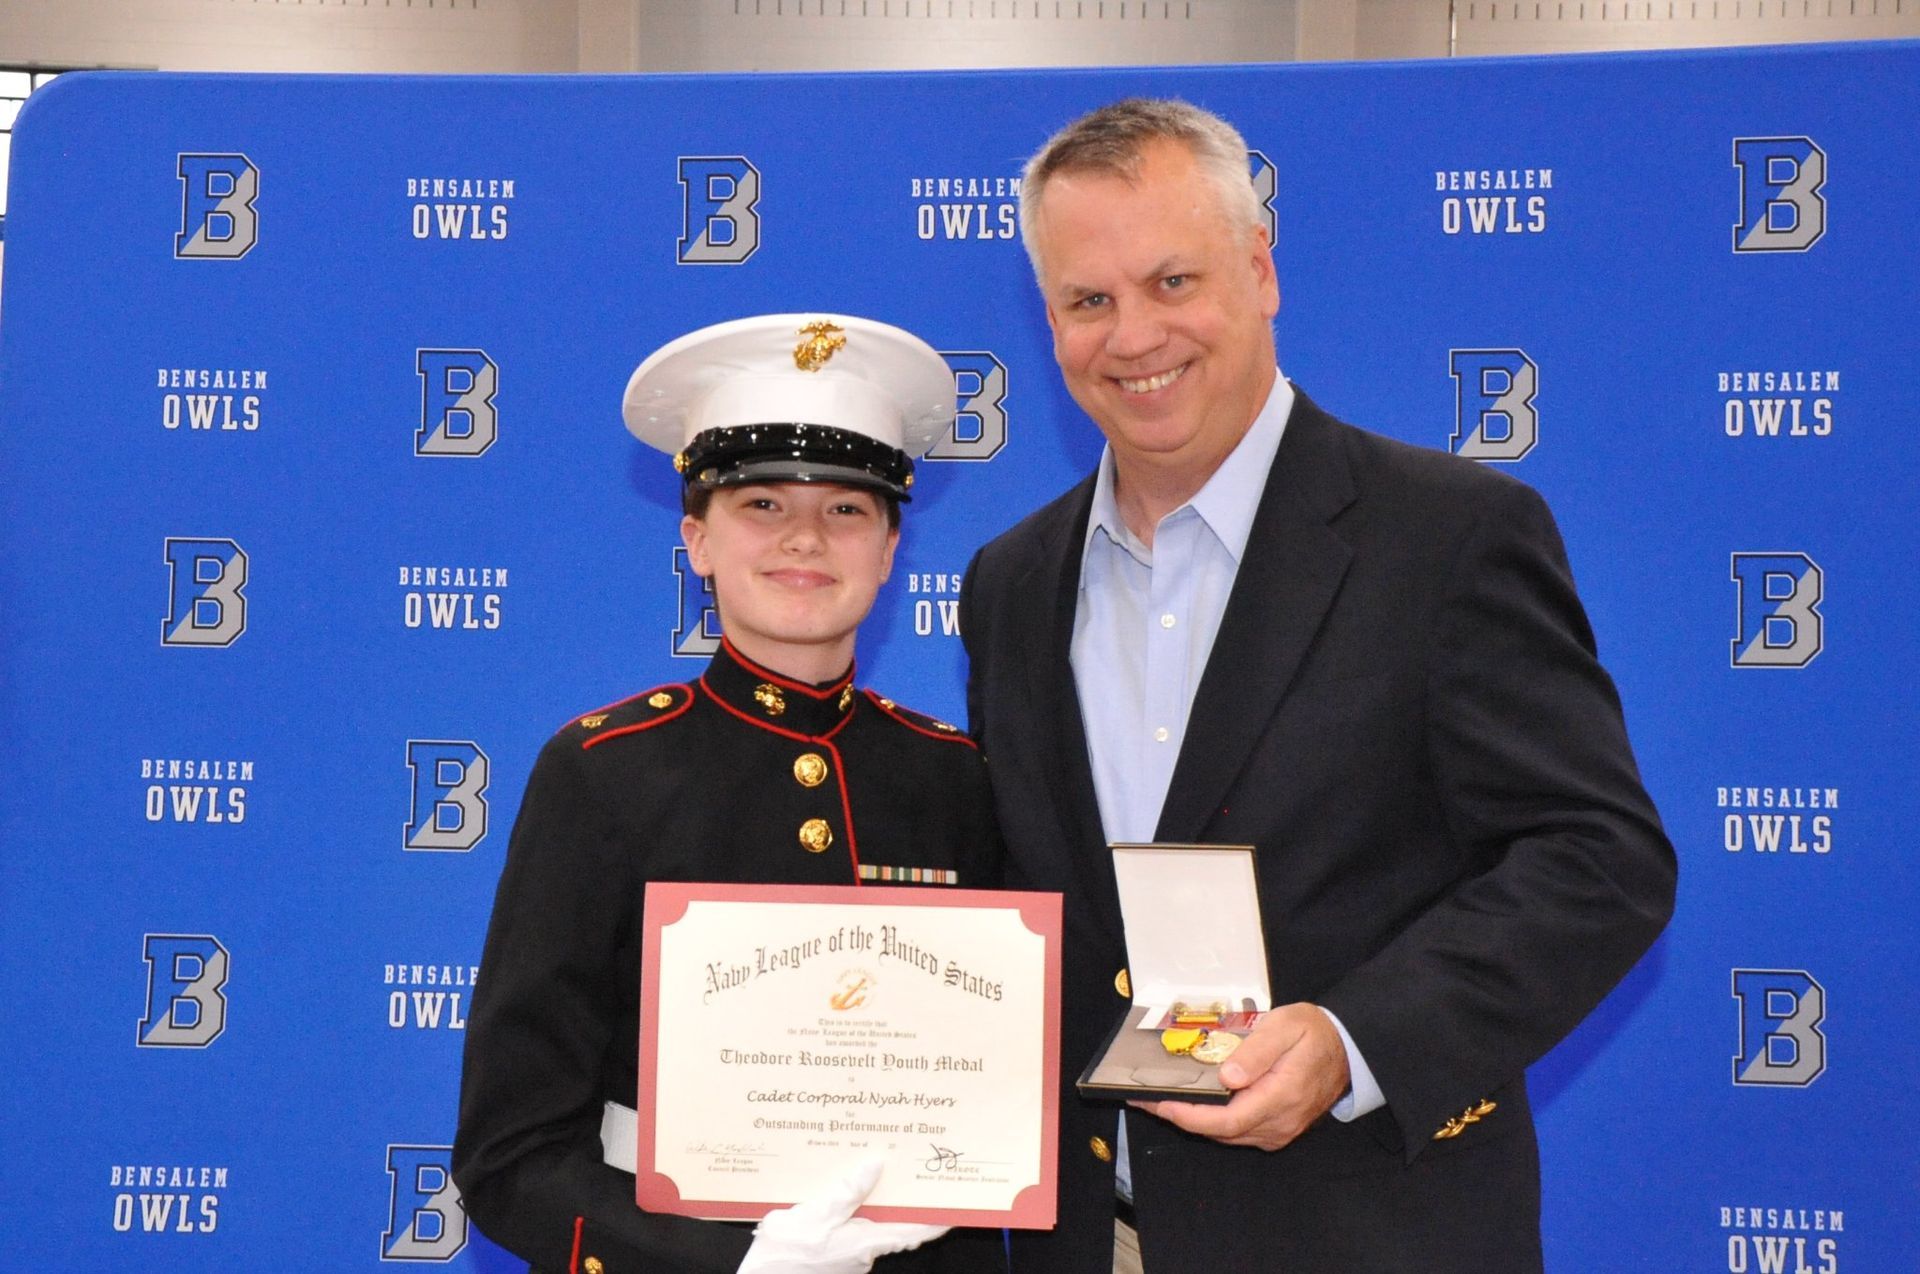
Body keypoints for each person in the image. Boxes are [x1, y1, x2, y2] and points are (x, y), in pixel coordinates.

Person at [958, 98, 1676, 1272]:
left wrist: (1355, 1039)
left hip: (1369, 1233)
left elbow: (1600, 860)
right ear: (1049, 321)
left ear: (1259, 270)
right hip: (1094, 1242)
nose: (1133, 335)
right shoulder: (1011, 582)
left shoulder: (1450, 537)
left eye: (1173, 281)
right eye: (1090, 300)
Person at [454, 313, 1007, 1274]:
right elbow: (509, 1154)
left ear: (888, 551)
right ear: (697, 540)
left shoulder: (954, 777)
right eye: (760, 506)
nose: (805, 536)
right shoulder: (602, 771)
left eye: (847, 510)